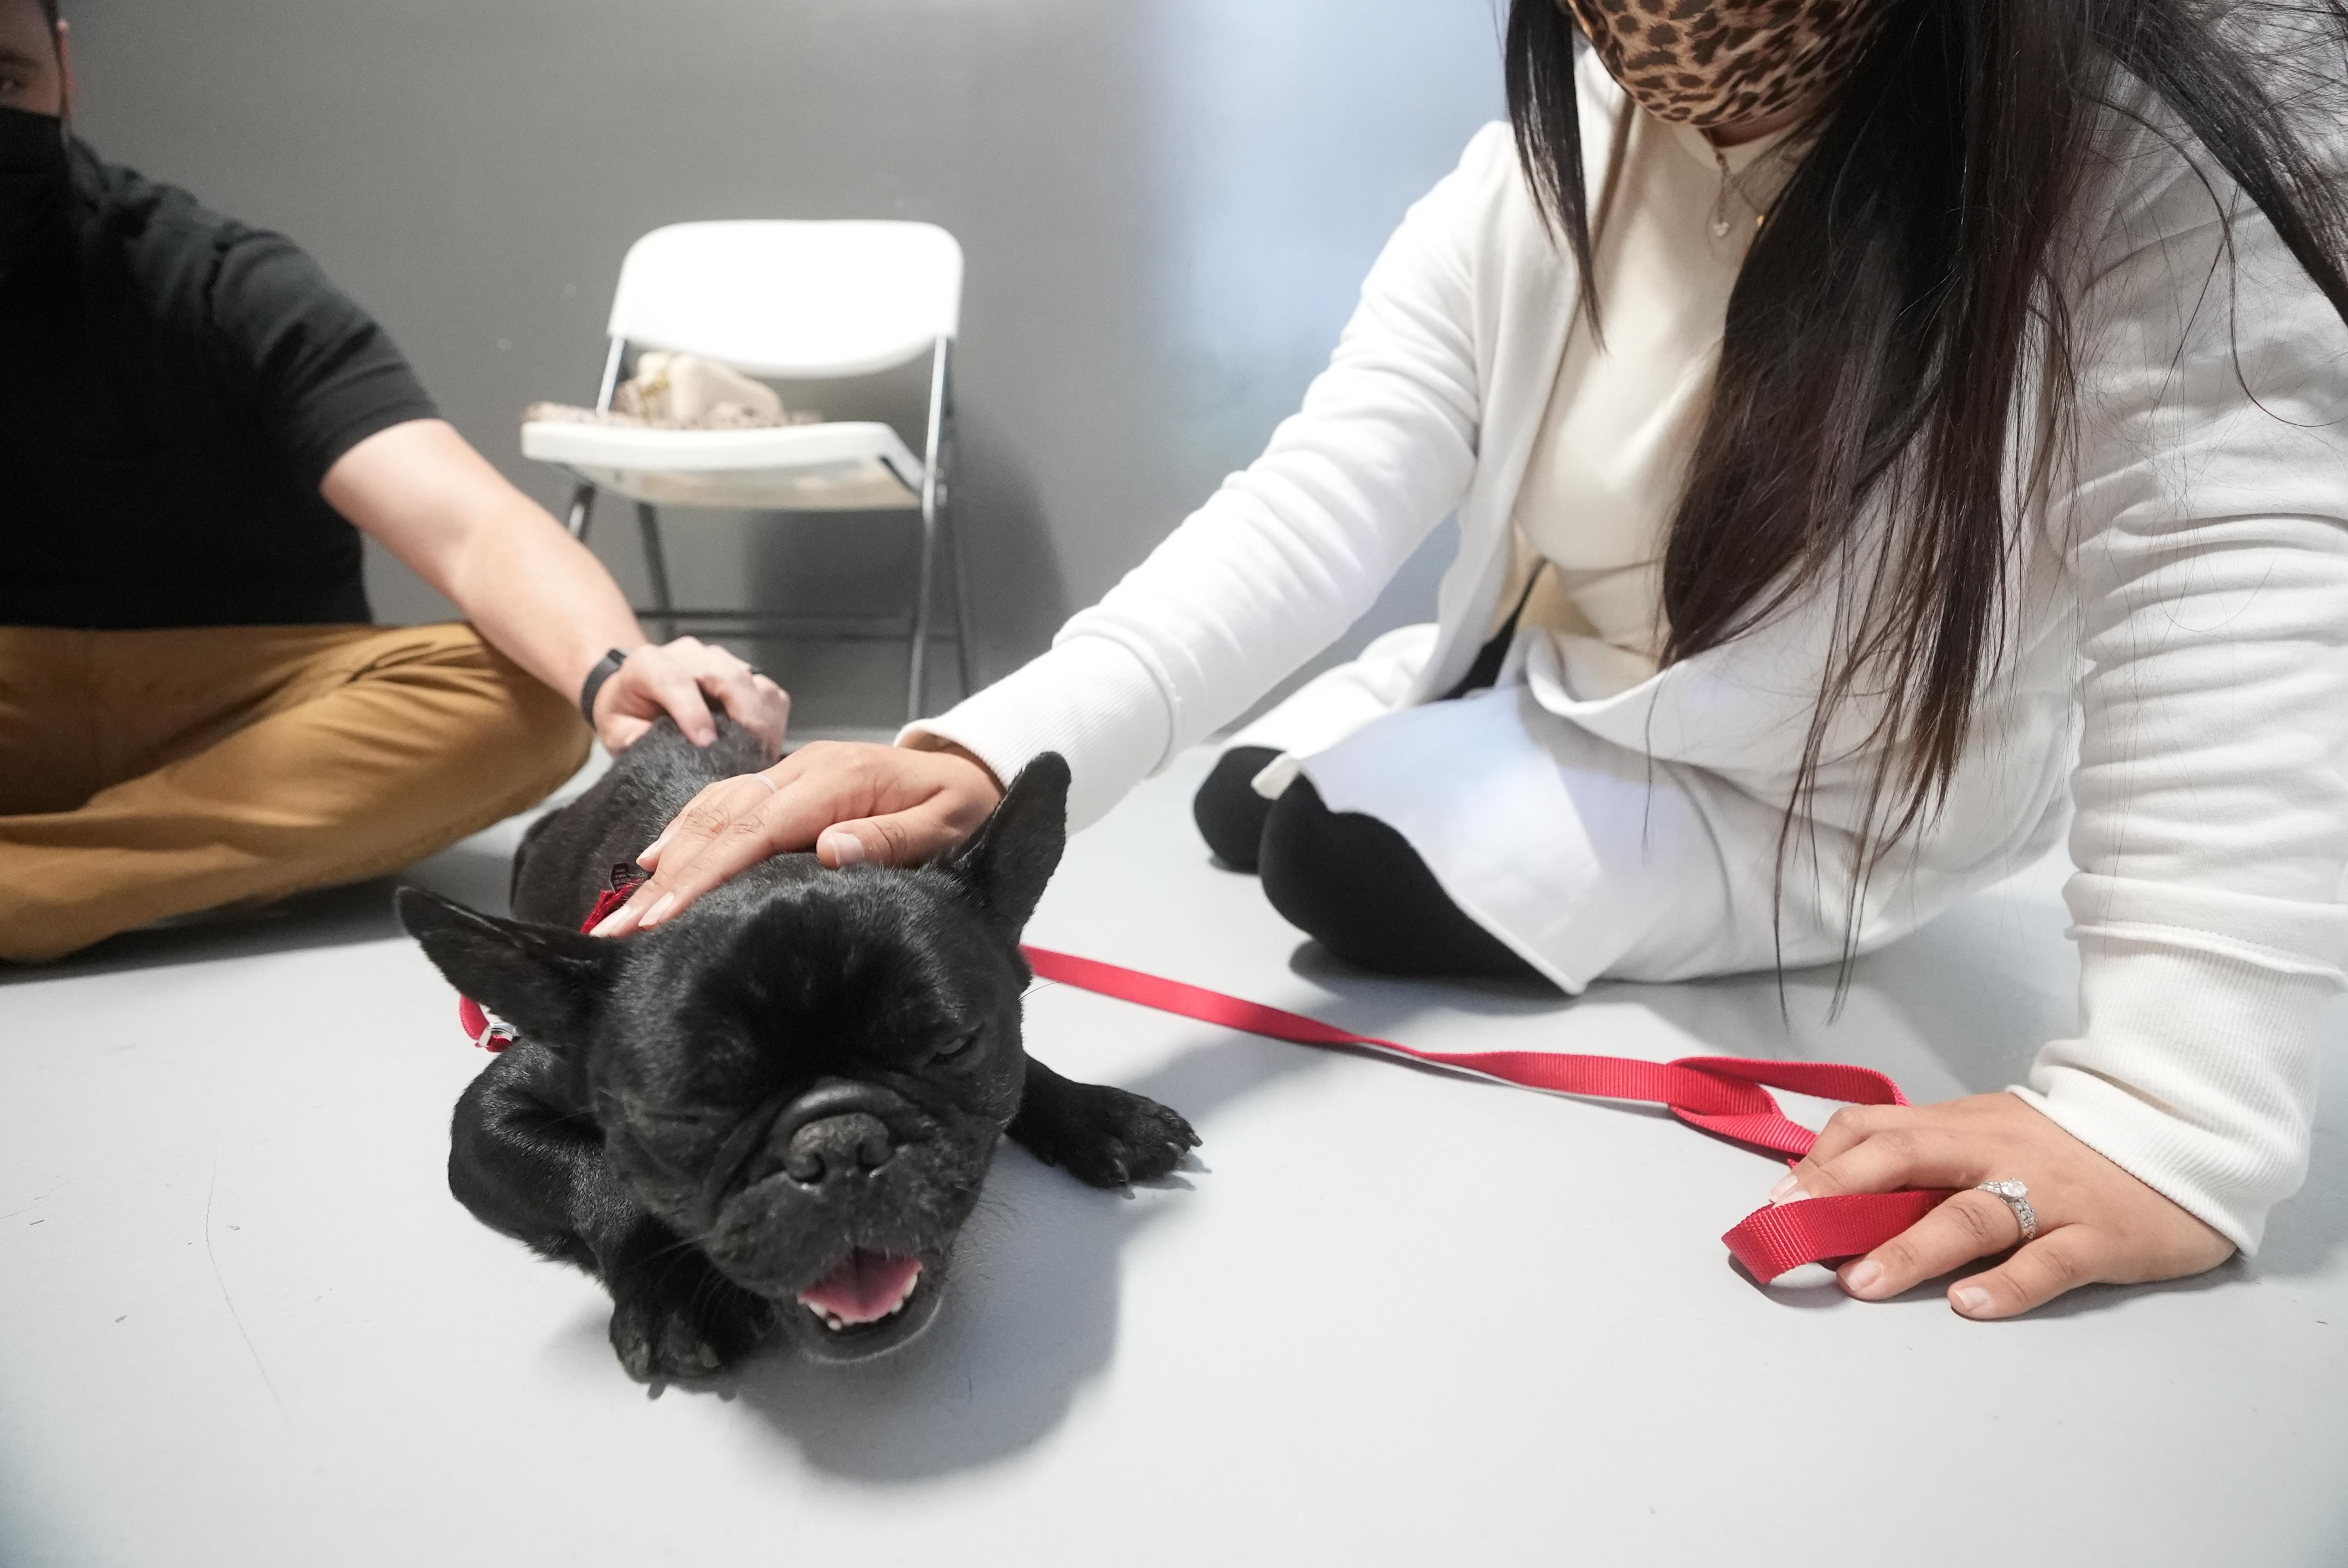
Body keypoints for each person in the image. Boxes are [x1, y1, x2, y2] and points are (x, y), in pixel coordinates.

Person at [598, 1, 2348, 1319]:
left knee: (1314, 852)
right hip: (1563, 657)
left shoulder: (2153, 164)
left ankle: (1443, 758)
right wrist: (985, 749)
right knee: (1237, 798)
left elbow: (2240, 572)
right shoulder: (1577, 123)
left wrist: (2173, 1106)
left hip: (1813, 801)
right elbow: (1330, 483)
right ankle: (1447, 728)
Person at [0, 0, 788, 964]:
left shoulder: (215, 281)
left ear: (66, 70)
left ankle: (30, 888)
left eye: (6, 83)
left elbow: (467, 523)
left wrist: (616, 667)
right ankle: (135, 873)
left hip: (253, 708)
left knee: (528, 702)